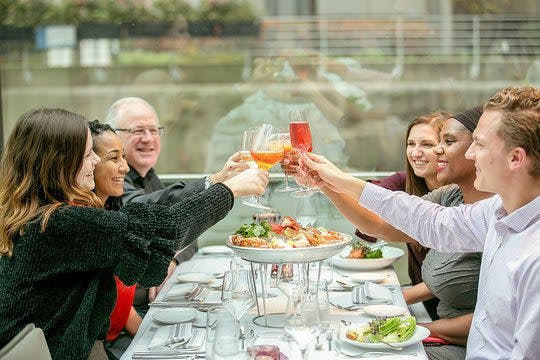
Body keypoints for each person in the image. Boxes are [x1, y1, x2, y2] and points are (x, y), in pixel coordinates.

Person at [0, 108, 268, 359]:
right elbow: (162, 229)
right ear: (59, 163)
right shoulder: (59, 223)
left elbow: (151, 215)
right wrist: (230, 191)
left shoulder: (39, 215)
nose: (95, 161)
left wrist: (217, 181)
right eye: (87, 155)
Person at [297, 85, 540, 359]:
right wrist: (338, 181)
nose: (471, 154)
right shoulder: (496, 210)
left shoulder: (535, 256)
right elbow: (430, 221)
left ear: (515, 159)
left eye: (480, 145)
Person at [104, 97, 248, 312]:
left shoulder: (150, 178)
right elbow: (142, 212)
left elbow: (187, 232)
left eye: (154, 130)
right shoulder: (112, 183)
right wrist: (216, 183)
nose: (148, 138)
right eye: (137, 131)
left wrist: (170, 260)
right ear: (114, 137)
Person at [402, 106, 491, 360]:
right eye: (411, 144)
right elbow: (382, 221)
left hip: (463, 343)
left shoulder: (496, 216)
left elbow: (493, 319)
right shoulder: (451, 195)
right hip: (440, 330)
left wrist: (414, 328)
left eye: (445, 142)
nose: (431, 151)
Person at [355, 110, 450, 319]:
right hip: (418, 305)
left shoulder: (460, 198)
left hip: (448, 313)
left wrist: (393, 296)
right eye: (411, 144)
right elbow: (365, 207)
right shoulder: (403, 182)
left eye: (427, 144)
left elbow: (450, 278)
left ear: (447, 148)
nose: (415, 153)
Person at [88, 120, 140, 359]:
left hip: (118, 336)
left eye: (124, 157)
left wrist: (146, 338)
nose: (125, 167)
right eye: (114, 158)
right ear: (87, 162)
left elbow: (118, 299)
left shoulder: (108, 209)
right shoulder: (86, 224)